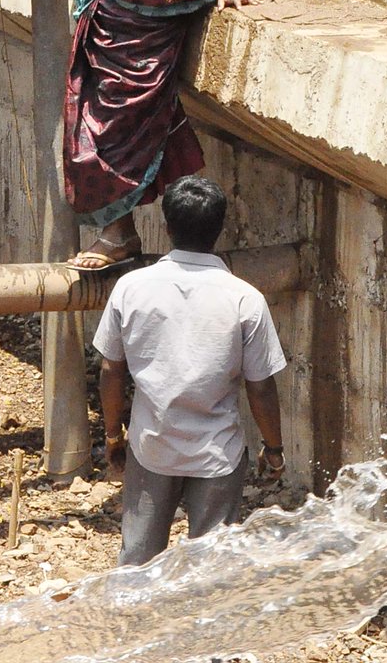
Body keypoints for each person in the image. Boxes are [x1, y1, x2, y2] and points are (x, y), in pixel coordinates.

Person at [44, 0, 253, 271]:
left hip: (147, 34)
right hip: (104, 19)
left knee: (123, 131)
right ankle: (119, 232)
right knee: (84, 125)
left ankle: (124, 236)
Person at [93, 175, 287, 566]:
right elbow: (261, 386)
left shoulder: (131, 288)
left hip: (152, 447)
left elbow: (111, 371)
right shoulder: (245, 299)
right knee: (210, 565)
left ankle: (135, 625)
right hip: (217, 454)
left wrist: (114, 434)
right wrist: (275, 449)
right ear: (219, 229)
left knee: (138, 559)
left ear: (167, 227)